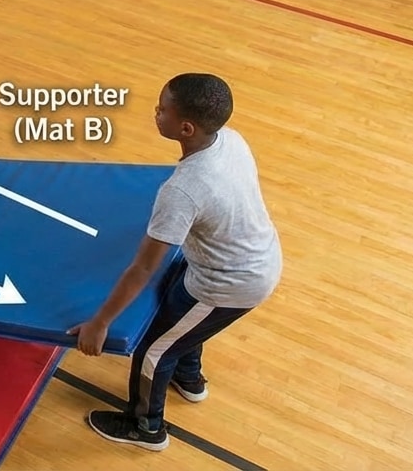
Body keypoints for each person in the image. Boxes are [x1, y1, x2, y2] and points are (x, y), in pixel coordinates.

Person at [67, 73, 283, 451]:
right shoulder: (230, 140)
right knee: (179, 312)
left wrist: (100, 323)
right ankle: (190, 378)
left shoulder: (183, 190)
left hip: (231, 282)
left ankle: (145, 427)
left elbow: (143, 269)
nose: (156, 112)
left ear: (185, 127)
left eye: (162, 109)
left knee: (154, 350)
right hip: (242, 256)